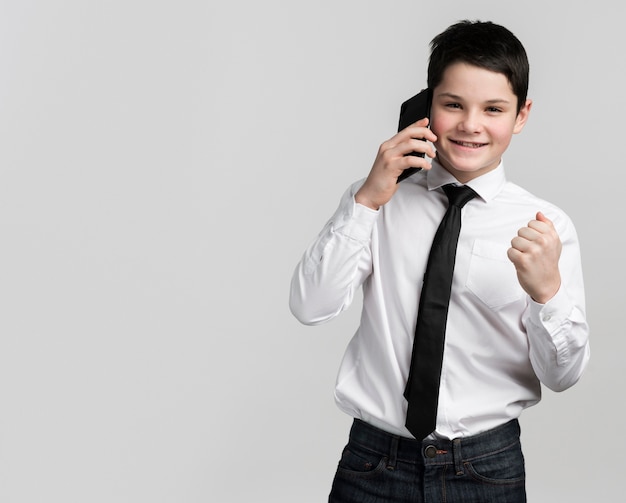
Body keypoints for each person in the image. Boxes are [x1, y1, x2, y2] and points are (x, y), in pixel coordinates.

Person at [289, 20, 590, 503]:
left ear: (521, 114)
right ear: (427, 105)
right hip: (373, 463)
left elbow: (563, 375)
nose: (471, 125)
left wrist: (547, 293)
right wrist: (365, 200)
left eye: (493, 108)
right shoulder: (379, 201)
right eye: (453, 105)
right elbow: (310, 305)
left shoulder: (546, 226)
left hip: (486, 468)